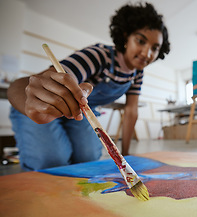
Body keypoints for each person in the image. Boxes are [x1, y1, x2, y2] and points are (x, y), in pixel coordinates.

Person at [7, 2, 170, 171]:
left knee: (88, 158)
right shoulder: (100, 56)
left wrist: (126, 157)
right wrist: (31, 102)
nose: (147, 53)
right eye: (140, 41)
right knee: (52, 161)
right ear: (125, 36)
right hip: (40, 107)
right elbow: (25, 85)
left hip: (77, 114)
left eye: (155, 48)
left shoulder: (137, 74)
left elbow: (131, 112)